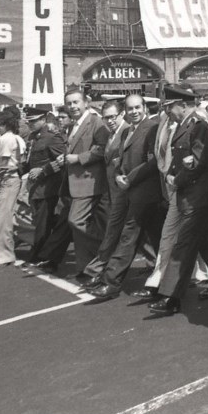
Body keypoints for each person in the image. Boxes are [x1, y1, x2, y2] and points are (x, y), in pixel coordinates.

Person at [88, 94, 166, 302]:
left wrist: (129, 179)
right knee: (158, 241)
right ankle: (163, 286)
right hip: (133, 192)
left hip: (147, 193)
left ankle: (110, 282)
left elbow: (152, 161)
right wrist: (118, 176)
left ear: (144, 108)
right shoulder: (125, 133)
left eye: (137, 108)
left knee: (128, 236)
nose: (134, 112)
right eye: (130, 109)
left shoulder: (152, 127)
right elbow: (119, 162)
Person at [148, 83, 208, 316]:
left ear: (182, 105)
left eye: (170, 106)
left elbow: (198, 161)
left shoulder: (198, 125)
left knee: (183, 246)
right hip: (188, 194)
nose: (167, 111)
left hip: (196, 194)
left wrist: (177, 180)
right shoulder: (183, 125)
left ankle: (171, 297)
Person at [55, 87, 110, 281]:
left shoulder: (95, 122)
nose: (72, 106)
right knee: (78, 231)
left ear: (85, 102)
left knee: (76, 221)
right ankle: (85, 267)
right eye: (69, 103)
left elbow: (104, 149)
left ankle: (106, 249)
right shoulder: (72, 124)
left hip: (90, 181)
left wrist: (78, 158)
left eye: (76, 102)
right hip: (75, 183)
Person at [83, 101, 129, 284]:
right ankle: (153, 262)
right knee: (140, 234)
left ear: (121, 114)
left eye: (113, 116)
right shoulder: (112, 133)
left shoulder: (127, 131)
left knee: (115, 232)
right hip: (113, 190)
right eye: (106, 117)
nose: (109, 121)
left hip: (124, 190)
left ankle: (98, 270)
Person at [22, 110, 67, 272]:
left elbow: (64, 159)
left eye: (33, 121)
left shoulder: (51, 136)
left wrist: (43, 170)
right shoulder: (34, 136)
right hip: (37, 187)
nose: (29, 124)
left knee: (43, 224)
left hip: (49, 187)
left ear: (42, 119)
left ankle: (40, 256)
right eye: (28, 121)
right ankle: (48, 255)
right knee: (44, 222)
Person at [0, 110, 27, 268]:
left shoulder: (5, 139)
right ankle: (4, 254)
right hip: (15, 178)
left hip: (7, 179)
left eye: (0, 125)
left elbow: (2, 166)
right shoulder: (17, 138)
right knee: (10, 217)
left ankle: (3, 256)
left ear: (8, 125)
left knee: (2, 219)